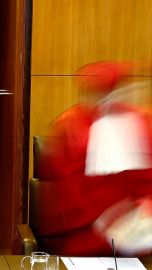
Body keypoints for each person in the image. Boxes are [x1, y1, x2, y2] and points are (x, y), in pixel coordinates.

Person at [36, 61, 152, 256]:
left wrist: (143, 206)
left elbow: (145, 180)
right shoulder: (70, 126)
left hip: (133, 236)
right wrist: (106, 218)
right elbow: (64, 187)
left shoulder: (138, 121)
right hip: (85, 236)